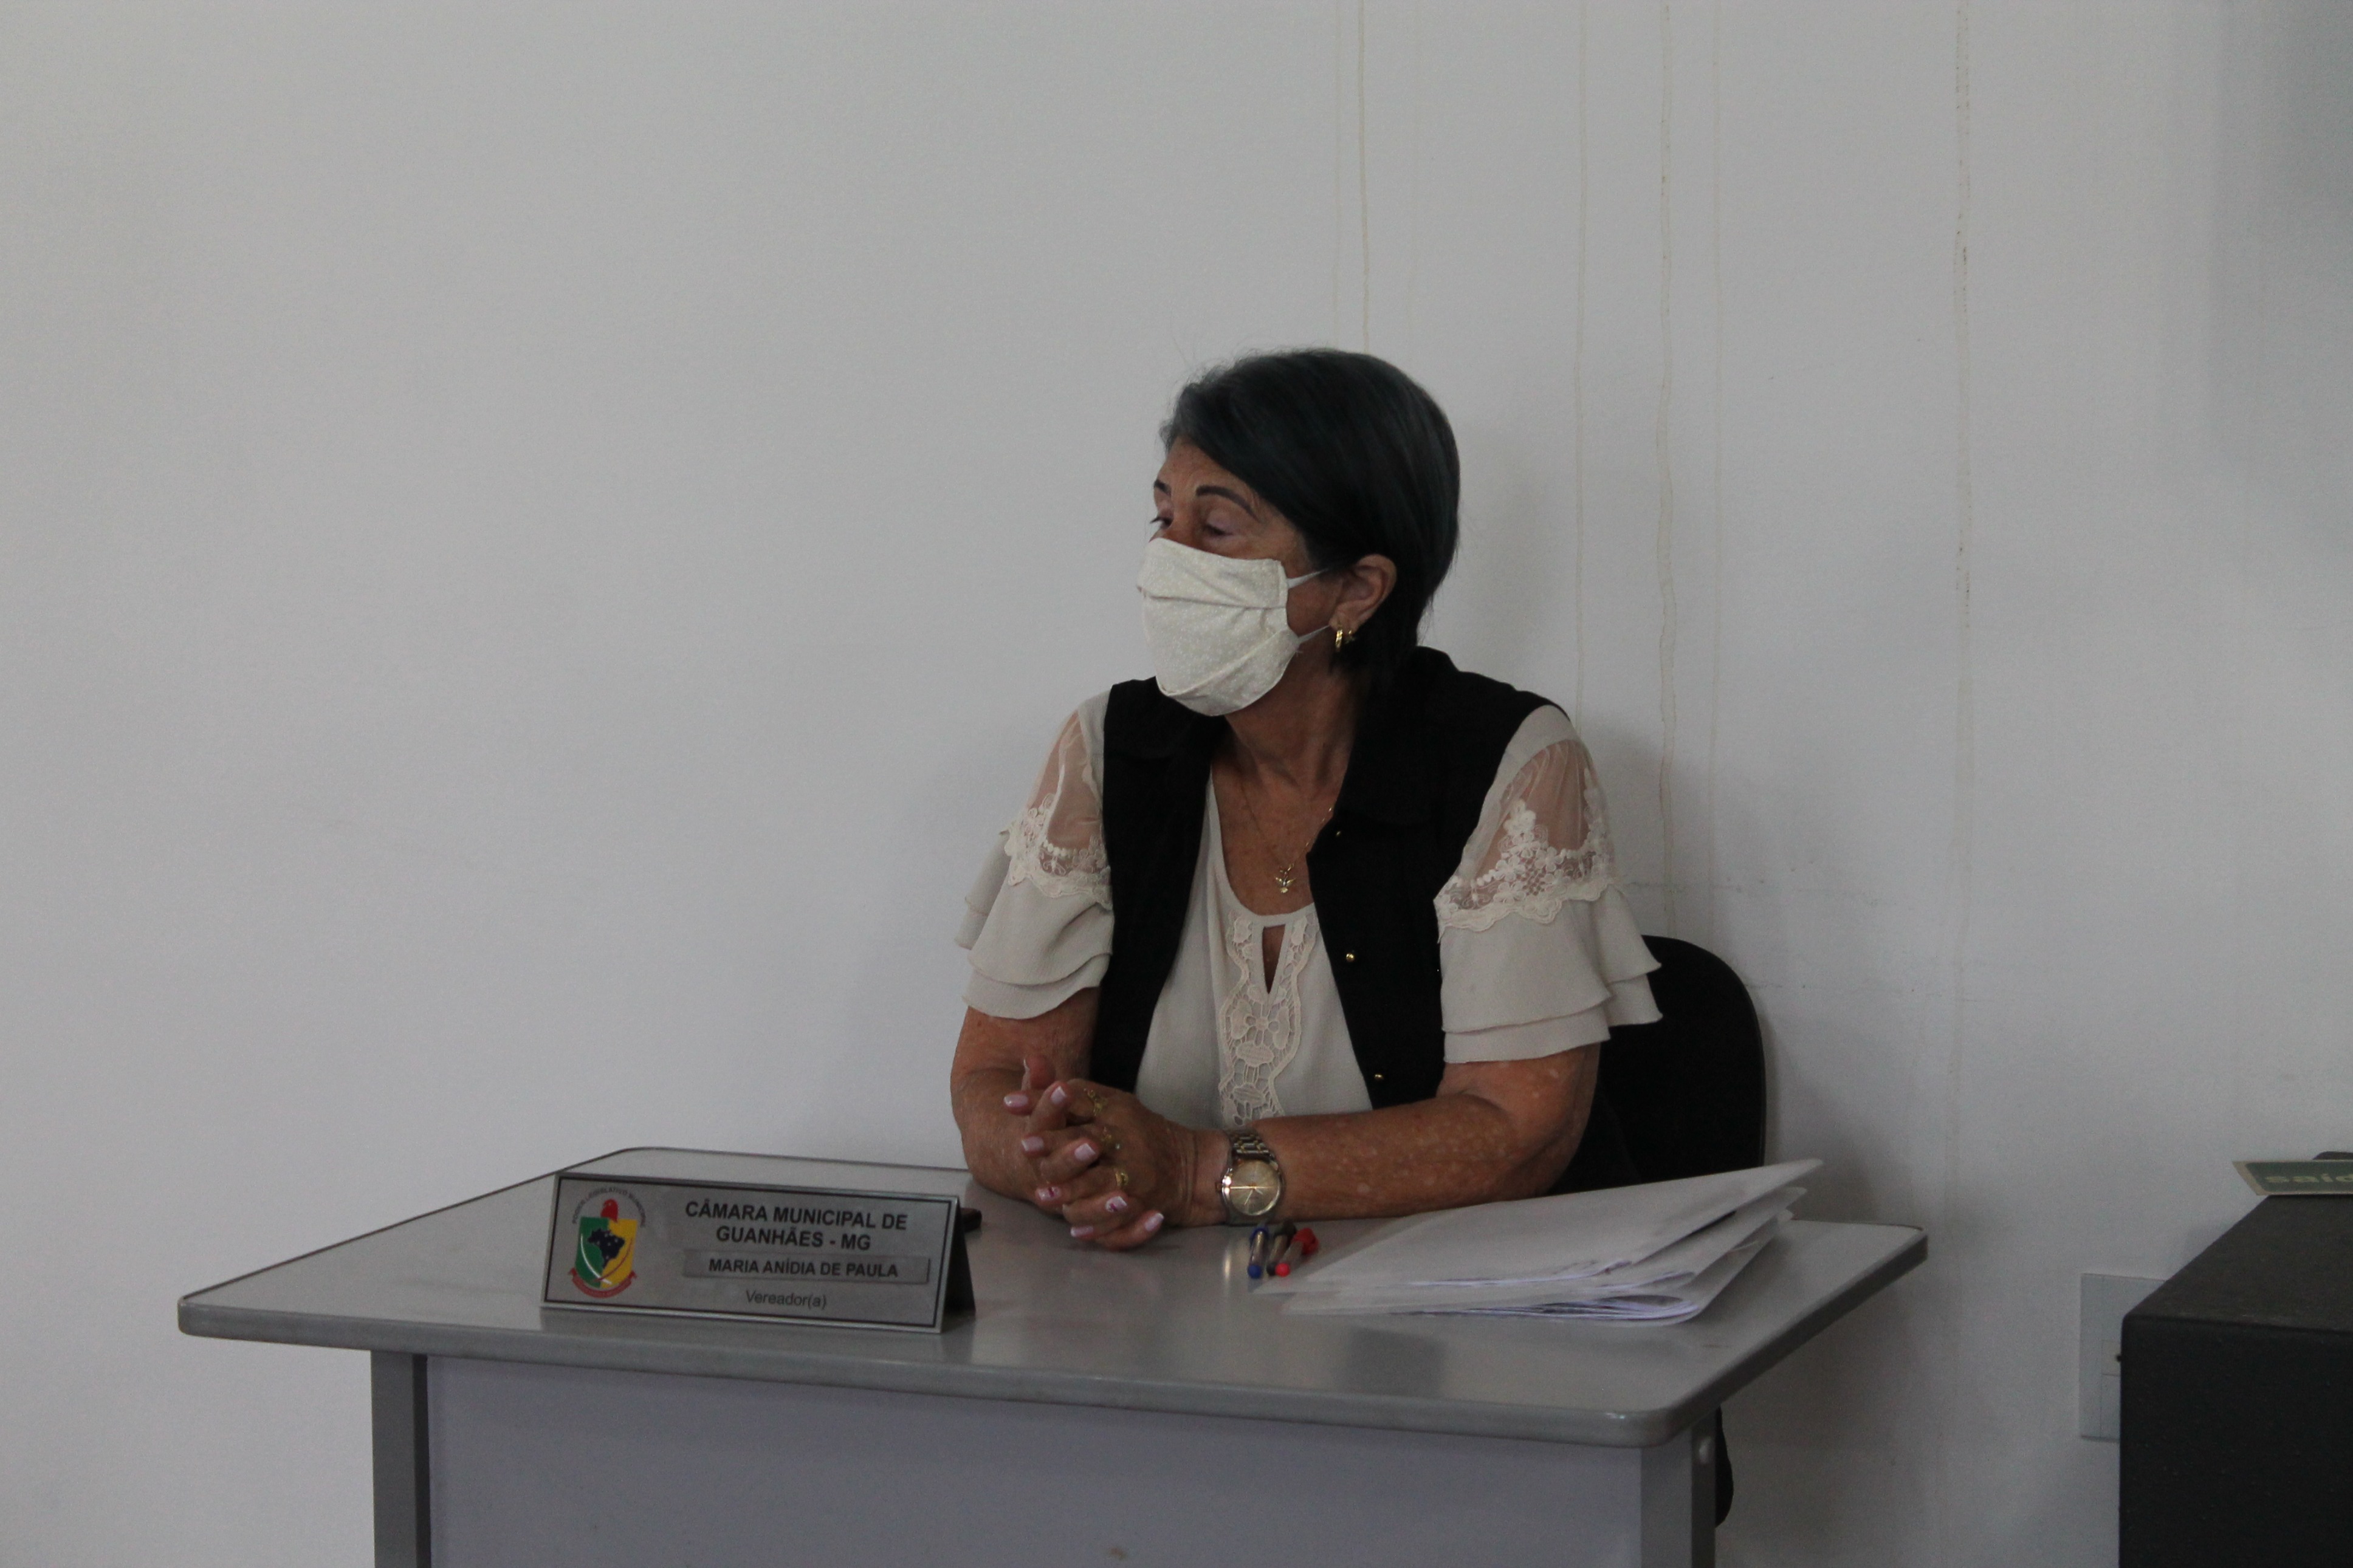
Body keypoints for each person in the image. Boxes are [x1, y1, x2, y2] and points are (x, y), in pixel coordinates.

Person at [948, 349, 1660, 1251]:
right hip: (1155, 1309)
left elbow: (1516, 1130)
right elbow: (994, 1078)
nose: (1166, 562)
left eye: (1217, 529)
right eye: (1163, 518)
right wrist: (1062, 1161)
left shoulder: (1508, 760)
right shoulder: (1108, 748)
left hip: (1458, 1311)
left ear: (1356, 590)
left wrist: (1198, 1172)